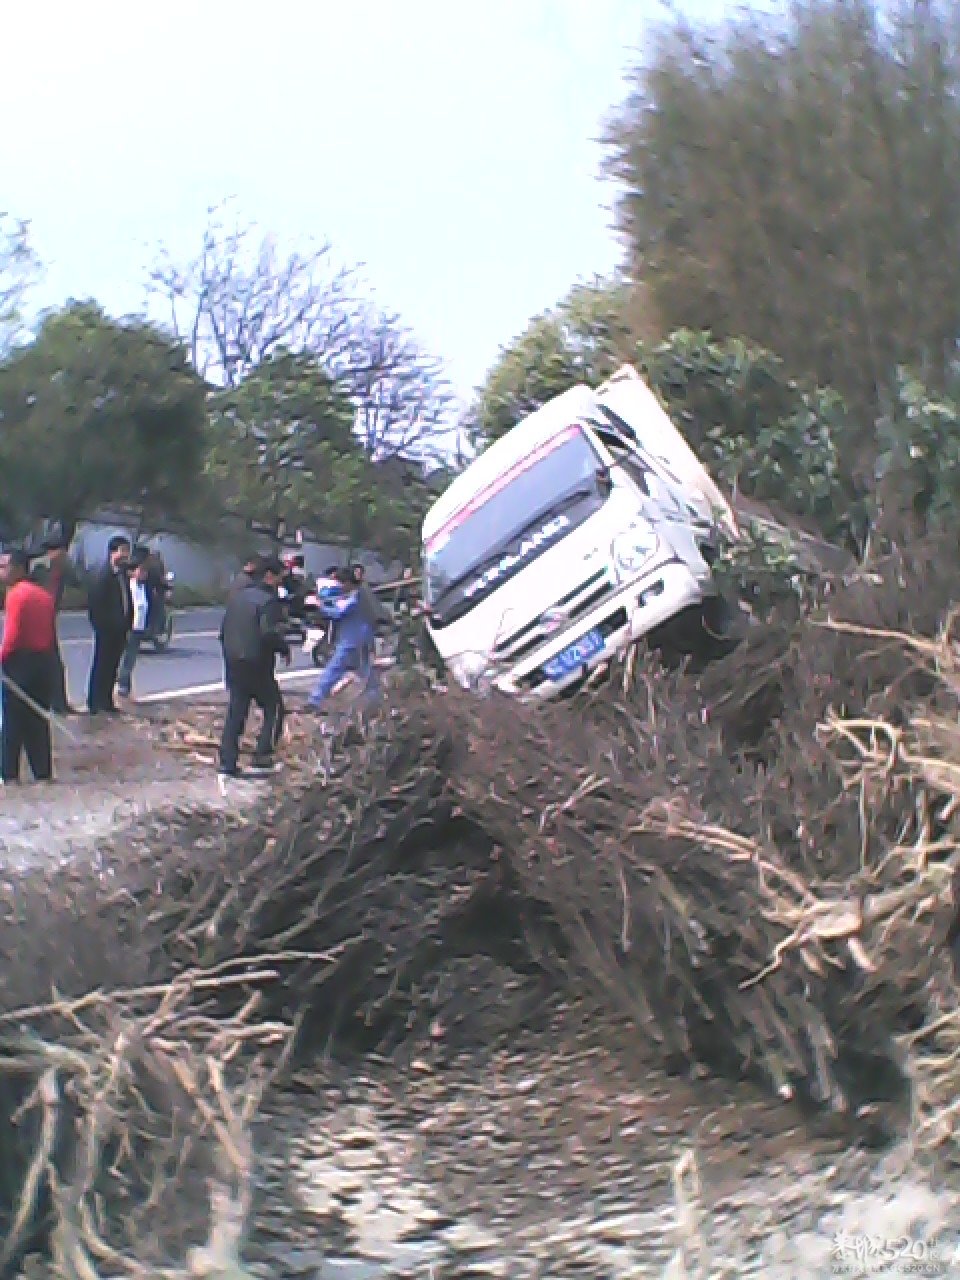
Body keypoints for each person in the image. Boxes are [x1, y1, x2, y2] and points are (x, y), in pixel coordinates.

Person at [218, 554, 290, 779]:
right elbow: (268, 633)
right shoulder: (268, 601)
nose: (281, 583)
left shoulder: (237, 598)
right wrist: (283, 648)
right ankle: (262, 755)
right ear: (269, 576)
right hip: (256, 663)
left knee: (236, 711)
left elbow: (223, 631)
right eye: (279, 578)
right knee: (274, 707)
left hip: (234, 661)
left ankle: (227, 761)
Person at [0, 548, 56, 785]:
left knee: (13, 721)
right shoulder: (44, 595)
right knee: (38, 719)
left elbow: (12, 634)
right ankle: (42, 771)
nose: (1, 572)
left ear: (18, 568)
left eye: (4, 567)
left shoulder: (15, 595)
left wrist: (1, 657)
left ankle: (9, 774)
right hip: (43, 661)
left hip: (20, 662)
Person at [307, 567, 384, 711]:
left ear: (348, 582)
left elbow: (338, 613)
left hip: (353, 639)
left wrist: (319, 605)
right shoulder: (355, 594)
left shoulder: (355, 597)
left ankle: (315, 700)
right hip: (360, 637)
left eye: (341, 583)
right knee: (365, 670)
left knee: (334, 668)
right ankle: (375, 697)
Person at [31, 532, 78, 714]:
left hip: (50, 618)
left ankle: (59, 704)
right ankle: (51, 703)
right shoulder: (40, 567)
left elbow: (77, 581)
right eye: (61, 551)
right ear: (53, 552)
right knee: (49, 663)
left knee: (56, 664)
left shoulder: (63, 568)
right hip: (37, 619)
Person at [86, 535, 133, 715]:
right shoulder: (102, 575)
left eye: (127, 551)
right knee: (101, 666)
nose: (126, 555)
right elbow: (96, 605)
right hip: (106, 631)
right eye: (123, 551)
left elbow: (125, 600)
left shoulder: (121, 575)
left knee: (112, 667)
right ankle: (95, 702)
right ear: (113, 552)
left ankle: (106, 700)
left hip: (120, 631)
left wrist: (127, 622)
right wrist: (103, 627)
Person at [116, 548, 156, 699]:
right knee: (126, 658)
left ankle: (125, 685)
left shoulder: (143, 587)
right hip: (130, 628)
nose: (144, 574)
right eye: (141, 570)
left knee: (130, 659)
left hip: (139, 628)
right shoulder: (129, 586)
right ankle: (122, 686)